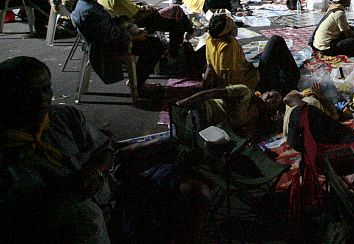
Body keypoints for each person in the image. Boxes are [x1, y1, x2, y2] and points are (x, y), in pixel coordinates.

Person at [0, 56, 211, 243]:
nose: (41, 98)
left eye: (45, 88)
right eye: (27, 93)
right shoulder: (8, 159)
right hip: (70, 227)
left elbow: (105, 150)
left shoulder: (63, 118)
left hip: (113, 194)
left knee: (195, 191)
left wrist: (95, 170)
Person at [71, 0, 162, 92]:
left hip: (103, 42)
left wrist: (120, 21)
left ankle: (138, 81)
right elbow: (110, 36)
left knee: (150, 41)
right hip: (106, 49)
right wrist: (136, 37)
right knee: (155, 46)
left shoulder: (85, 4)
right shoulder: (90, 11)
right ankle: (137, 84)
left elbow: (105, 28)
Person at [98, 0, 193, 58]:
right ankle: (176, 53)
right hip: (132, 25)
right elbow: (137, 15)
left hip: (122, 24)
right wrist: (149, 10)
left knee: (175, 14)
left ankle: (184, 38)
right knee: (176, 22)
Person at [204, 14, 300, 94]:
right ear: (227, 32)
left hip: (245, 75)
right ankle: (292, 82)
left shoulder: (210, 39)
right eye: (233, 26)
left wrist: (205, 88)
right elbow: (225, 77)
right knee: (275, 40)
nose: (235, 27)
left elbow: (209, 67)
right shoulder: (228, 45)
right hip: (252, 82)